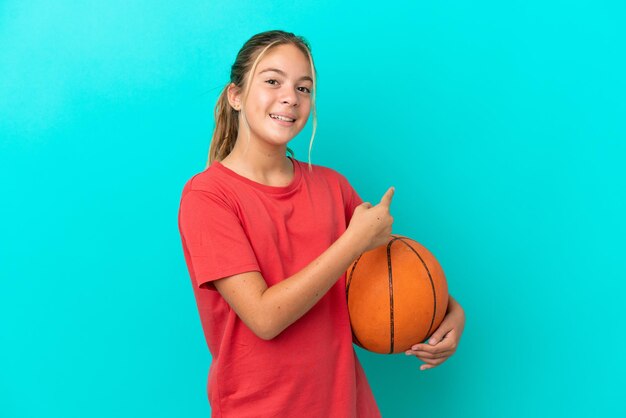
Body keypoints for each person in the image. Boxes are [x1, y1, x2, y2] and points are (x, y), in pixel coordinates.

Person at [177, 30, 466, 417]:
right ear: (236, 96)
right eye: (272, 81)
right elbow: (264, 319)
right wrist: (353, 241)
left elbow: (391, 269)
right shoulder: (208, 197)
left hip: (346, 406)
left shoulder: (332, 186)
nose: (290, 97)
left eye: (304, 88)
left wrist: (449, 310)